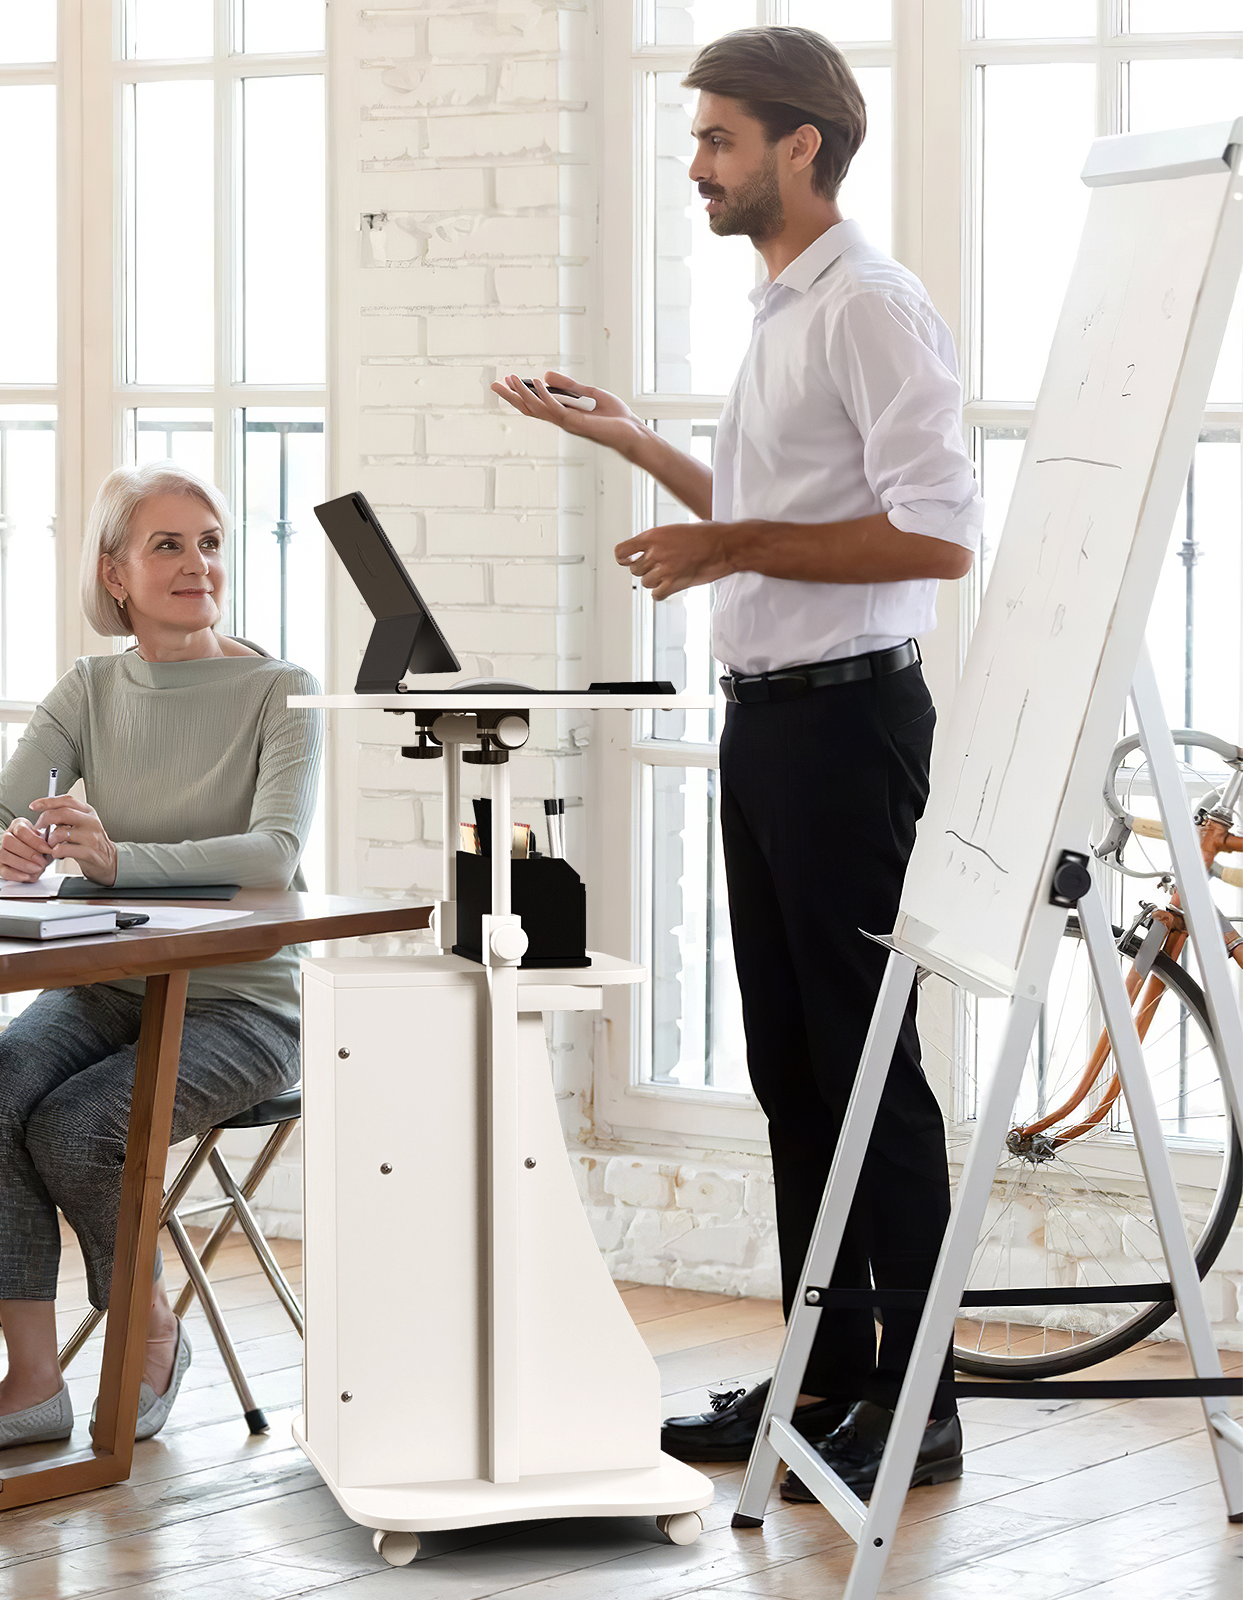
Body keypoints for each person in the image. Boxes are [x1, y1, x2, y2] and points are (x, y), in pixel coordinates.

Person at [494, 26, 979, 1502]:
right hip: (771, 722)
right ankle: (829, 1371)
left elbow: (940, 531)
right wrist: (636, 440)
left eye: (716, 140)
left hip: (851, 728)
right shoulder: (782, 310)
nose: (696, 164)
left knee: (866, 1066)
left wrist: (736, 544)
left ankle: (920, 1401)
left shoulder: (872, 309)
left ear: (800, 148)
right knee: (790, 1066)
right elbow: (762, 507)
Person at [0, 461, 321, 1454]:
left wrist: (112, 860)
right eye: (168, 544)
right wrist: (12, 849)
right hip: (114, 986)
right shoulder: (92, 688)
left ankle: (148, 1335)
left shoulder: (281, 691)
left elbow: (273, 854)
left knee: (80, 1123)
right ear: (115, 573)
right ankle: (30, 1382)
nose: (199, 564)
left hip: (245, 1006)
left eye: (211, 543)